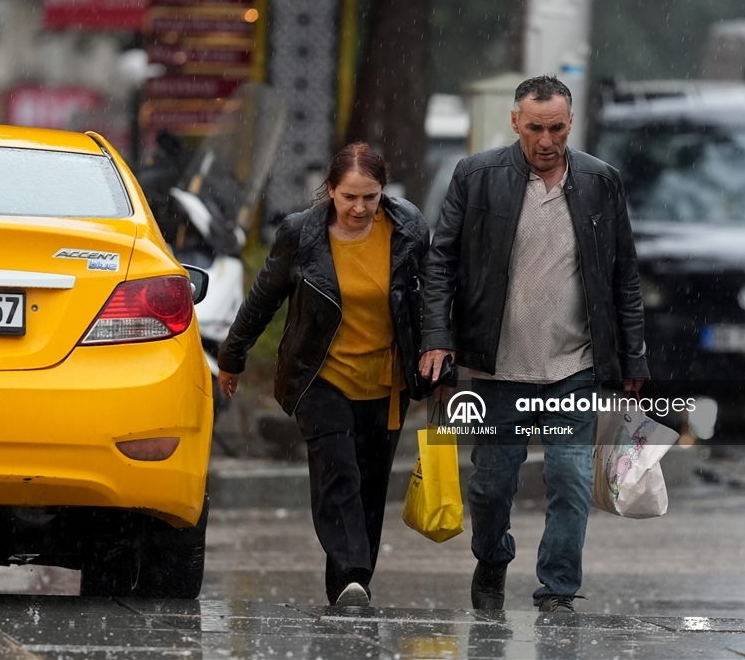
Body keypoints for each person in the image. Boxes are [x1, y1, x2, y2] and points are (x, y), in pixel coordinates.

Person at [419, 75, 649, 613]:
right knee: (491, 487)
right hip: (499, 371)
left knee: (570, 477)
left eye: (557, 128)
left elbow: (624, 277)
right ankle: (492, 557)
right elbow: (441, 263)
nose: (546, 141)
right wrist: (437, 338)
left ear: (571, 124)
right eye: (535, 128)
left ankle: (557, 591)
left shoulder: (601, 181)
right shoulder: (476, 176)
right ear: (515, 122)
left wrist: (633, 357)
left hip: (575, 367)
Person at [217, 142, 430, 608]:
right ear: (330, 189)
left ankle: (349, 586)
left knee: (370, 486)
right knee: (338, 473)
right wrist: (232, 355)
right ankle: (354, 573)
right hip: (320, 374)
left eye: (370, 197)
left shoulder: (408, 229)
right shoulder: (301, 234)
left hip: (385, 379)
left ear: (383, 191)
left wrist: (439, 352)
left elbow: (429, 298)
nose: (360, 208)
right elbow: (264, 296)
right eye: (349, 196)